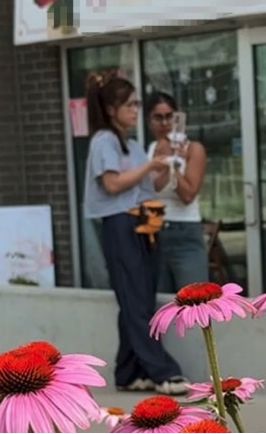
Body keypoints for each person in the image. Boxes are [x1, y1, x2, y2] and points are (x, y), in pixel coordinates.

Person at [82, 73, 188, 395]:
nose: (135, 110)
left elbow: (149, 185)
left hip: (142, 224)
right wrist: (148, 166)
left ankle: (129, 372)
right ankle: (162, 371)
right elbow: (112, 184)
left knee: (140, 298)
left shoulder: (130, 144)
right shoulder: (103, 141)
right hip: (118, 225)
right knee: (134, 299)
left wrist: (169, 164)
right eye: (129, 105)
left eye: (136, 104)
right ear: (112, 109)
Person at [144, 92, 210, 293]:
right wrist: (163, 162)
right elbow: (152, 189)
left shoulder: (193, 149)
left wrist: (174, 166)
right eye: (158, 117)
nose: (165, 123)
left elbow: (188, 194)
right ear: (149, 121)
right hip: (156, 230)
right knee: (162, 304)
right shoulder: (151, 149)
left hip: (185, 230)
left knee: (194, 301)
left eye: (169, 116)